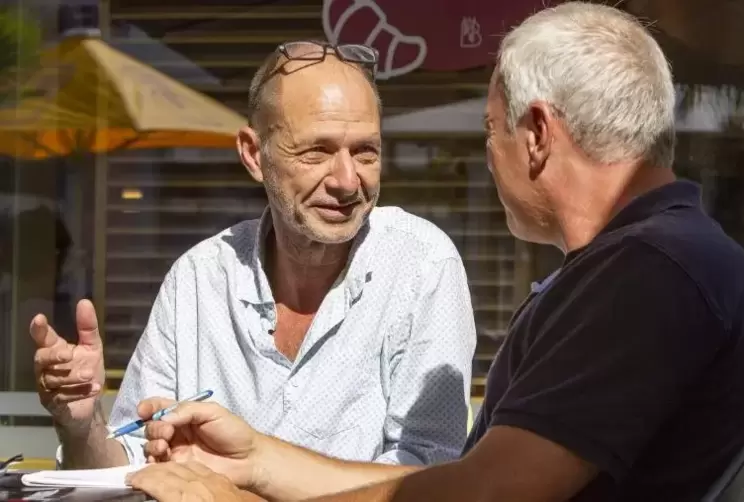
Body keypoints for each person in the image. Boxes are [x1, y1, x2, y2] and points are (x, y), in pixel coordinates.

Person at [126, 3, 744, 502]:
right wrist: (257, 459)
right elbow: (448, 484)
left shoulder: (651, 272)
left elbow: (488, 492)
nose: (487, 156)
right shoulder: (655, 261)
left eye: (489, 128)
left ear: (535, 135)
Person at [29, 40, 476, 471]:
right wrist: (82, 424)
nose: (346, 180)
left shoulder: (421, 265)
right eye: (316, 151)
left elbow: (433, 474)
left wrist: (249, 477)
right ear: (253, 154)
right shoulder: (199, 279)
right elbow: (130, 465)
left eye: (365, 152)